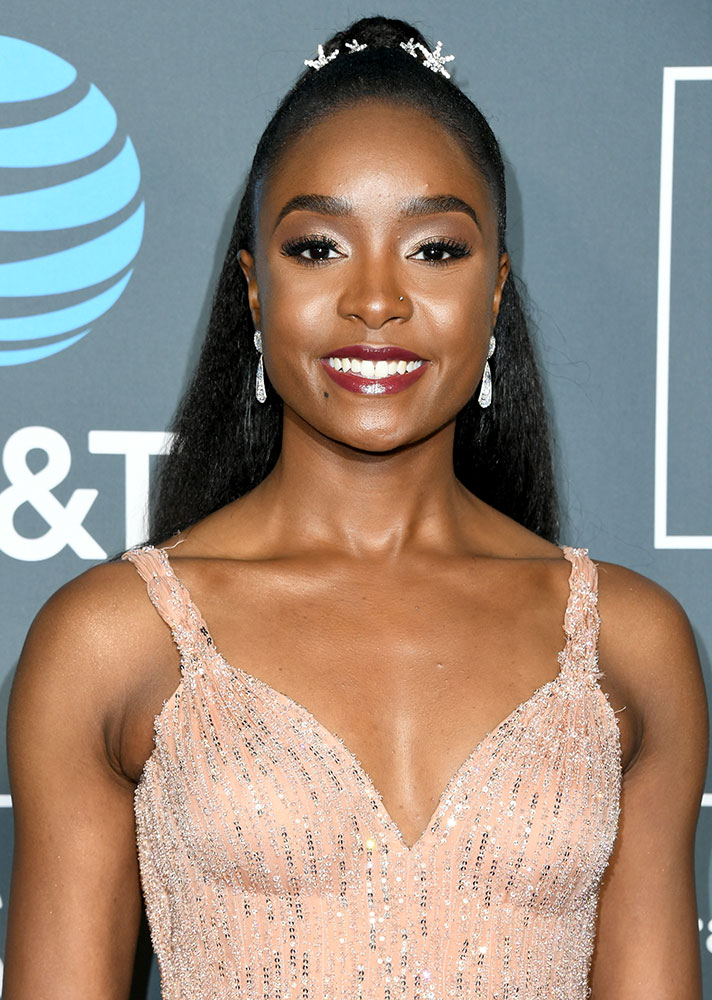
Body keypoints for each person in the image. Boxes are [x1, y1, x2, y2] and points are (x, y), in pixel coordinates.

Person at [4, 15, 707, 1000]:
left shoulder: (629, 644)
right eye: (319, 246)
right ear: (255, 290)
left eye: (435, 249)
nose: (375, 300)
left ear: (495, 291)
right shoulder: (110, 642)